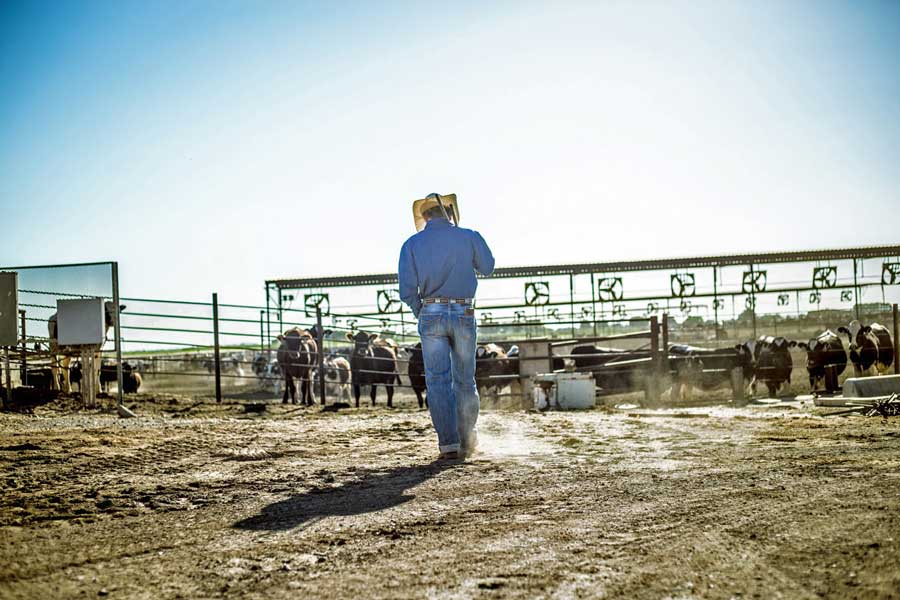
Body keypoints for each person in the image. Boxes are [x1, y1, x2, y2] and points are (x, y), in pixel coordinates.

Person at [398, 193, 495, 459]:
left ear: (425, 216)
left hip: (431, 311)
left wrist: (423, 311)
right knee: (465, 379)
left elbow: (407, 289)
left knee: (437, 380)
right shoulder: (469, 236)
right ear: (450, 212)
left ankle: (449, 444)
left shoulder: (411, 244)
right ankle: (468, 438)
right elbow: (487, 267)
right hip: (464, 311)